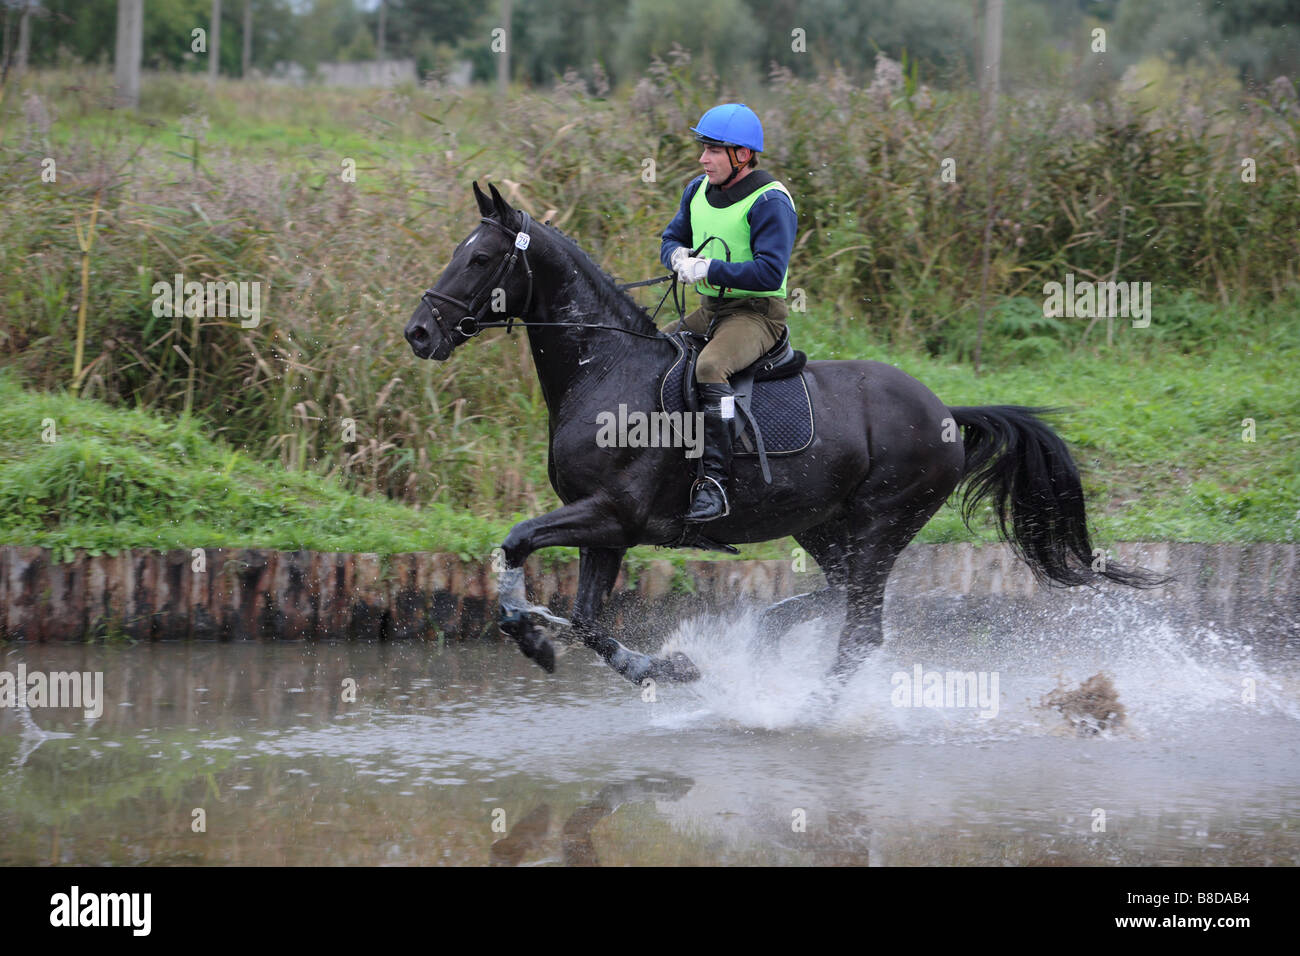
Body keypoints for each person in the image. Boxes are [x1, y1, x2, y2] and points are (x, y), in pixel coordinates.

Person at [660, 103, 798, 522]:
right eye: (704, 148)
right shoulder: (696, 189)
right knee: (655, 349)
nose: (704, 158)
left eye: (714, 150)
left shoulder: (771, 200)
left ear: (742, 154)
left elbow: (770, 270)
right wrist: (677, 257)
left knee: (711, 366)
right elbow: (671, 237)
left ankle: (715, 482)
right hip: (710, 310)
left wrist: (710, 268)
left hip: (756, 315)